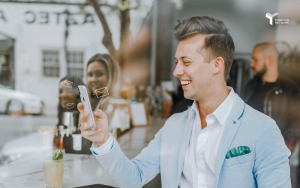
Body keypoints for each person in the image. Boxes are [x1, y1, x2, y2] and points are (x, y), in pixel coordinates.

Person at [78, 16, 291, 187]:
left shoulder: (263, 130)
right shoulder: (173, 126)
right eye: (176, 62)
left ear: (217, 64)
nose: (176, 71)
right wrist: (103, 140)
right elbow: (135, 177)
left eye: (186, 62)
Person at [243, 42, 300, 135]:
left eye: (255, 60)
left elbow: (297, 123)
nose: (251, 64)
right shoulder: (250, 86)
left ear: (270, 60)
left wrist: (284, 142)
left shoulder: (290, 89)